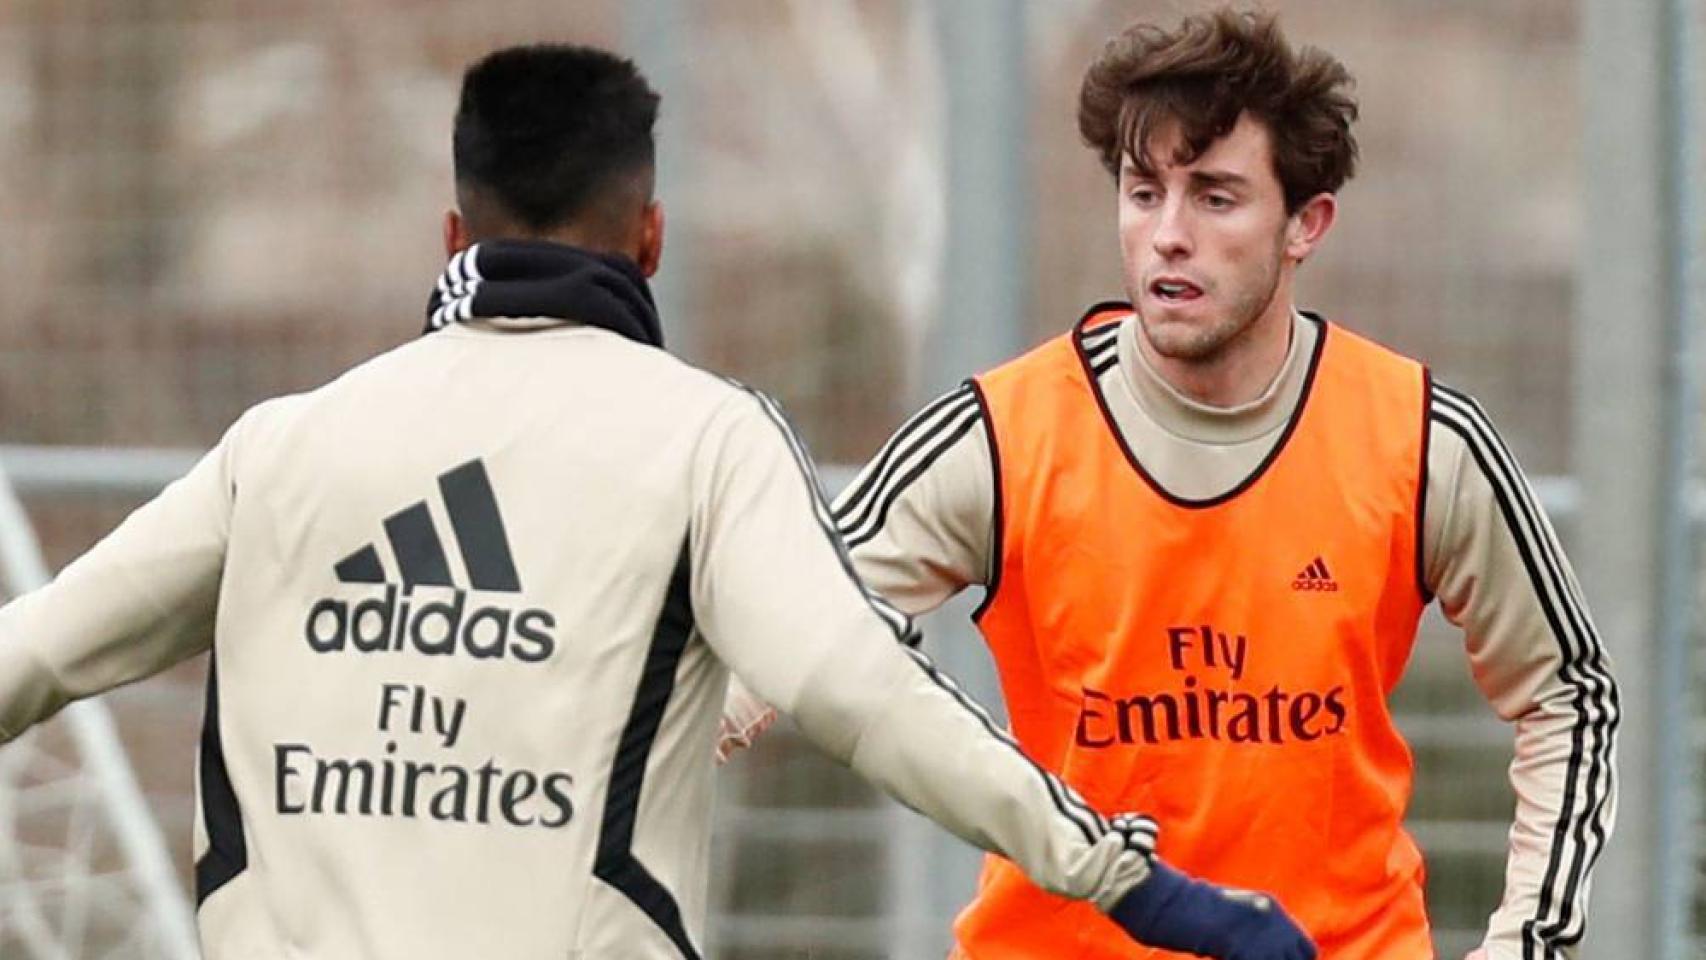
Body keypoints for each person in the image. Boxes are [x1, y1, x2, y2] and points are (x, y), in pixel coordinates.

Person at [0, 43, 1318, 960]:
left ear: (453, 237)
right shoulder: (701, 443)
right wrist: (1132, 882)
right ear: (649, 238)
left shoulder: (282, 446)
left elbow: (40, 653)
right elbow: (860, 691)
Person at [720, 9, 1619, 960]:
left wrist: (1527, 944)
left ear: (1305, 224)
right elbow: (764, 640)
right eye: (1143, 194)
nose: (1169, 235)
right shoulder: (1002, 436)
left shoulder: (1421, 439)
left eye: (1216, 198)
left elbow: (1570, 695)